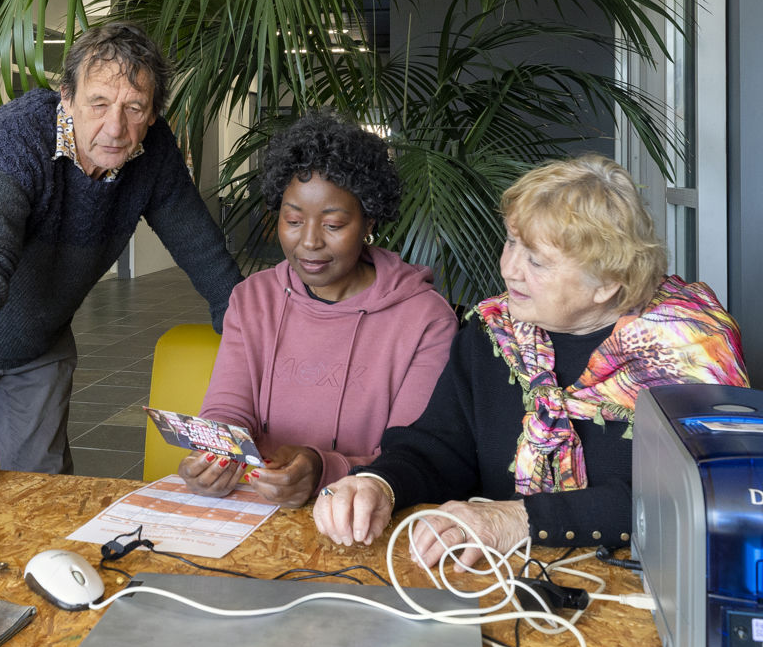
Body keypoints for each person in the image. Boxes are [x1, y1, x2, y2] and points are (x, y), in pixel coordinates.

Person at [313, 155, 750, 568]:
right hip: (507, 585)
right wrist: (379, 483)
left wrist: (516, 520)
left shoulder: (690, 353)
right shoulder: (496, 333)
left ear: (607, 284)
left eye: (537, 261)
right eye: (512, 242)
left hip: (646, 599)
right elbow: (441, 447)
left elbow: (705, 499)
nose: (509, 269)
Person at [0, 22, 243, 504]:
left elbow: (206, 255)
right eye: (98, 103)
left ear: (153, 114)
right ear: (66, 97)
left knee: (40, 491)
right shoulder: (16, 136)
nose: (115, 127)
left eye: (134, 108)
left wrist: (257, 339)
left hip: (37, 337)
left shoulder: (153, 154)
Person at [176, 112, 458, 507]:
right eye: (293, 220)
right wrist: (218, 452)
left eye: (334, 224)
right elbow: (229, 406)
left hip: (363, 517)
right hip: (255, 508)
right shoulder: (252, 299)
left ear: (368, 222)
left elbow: (413, 457)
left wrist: (323, 468)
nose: (308, 242)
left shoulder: (425, 321)